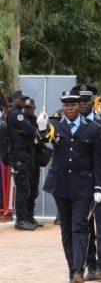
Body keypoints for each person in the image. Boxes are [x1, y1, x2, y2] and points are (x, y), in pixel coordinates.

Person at [38, 90, 101, 283]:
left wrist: (99, 187)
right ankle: (72, 270)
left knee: (79, 227)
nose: (70, 108)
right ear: (63, 106)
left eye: (73, 104)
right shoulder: (55, 124)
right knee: (66, 231)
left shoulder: (92, 128)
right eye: (66, 105)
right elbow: (44, 139)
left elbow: (99, 160)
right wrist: (42, 128)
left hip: (83, 185)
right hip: (60, 185)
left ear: (79, 106)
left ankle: (78, 270)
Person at [74, 84, 101, 282]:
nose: (82, 104)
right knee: (85, 225)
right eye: (79, 101)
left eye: (85, 100)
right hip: (81, 183)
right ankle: (89, 264)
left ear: (93, 101)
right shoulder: (72, 123)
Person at [7, 97, 42, 230]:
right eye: (26, 108)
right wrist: (29, 133)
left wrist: (29, 133)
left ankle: (29, 217)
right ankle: (21, 220)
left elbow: (39, 135)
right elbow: (33, 132)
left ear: (34, 108)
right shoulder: (18, 116)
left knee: (33, 189)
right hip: (22, 158)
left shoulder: (35, 120)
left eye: (30, 107)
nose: (28, 110)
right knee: (23, 188)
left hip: (33, 159)